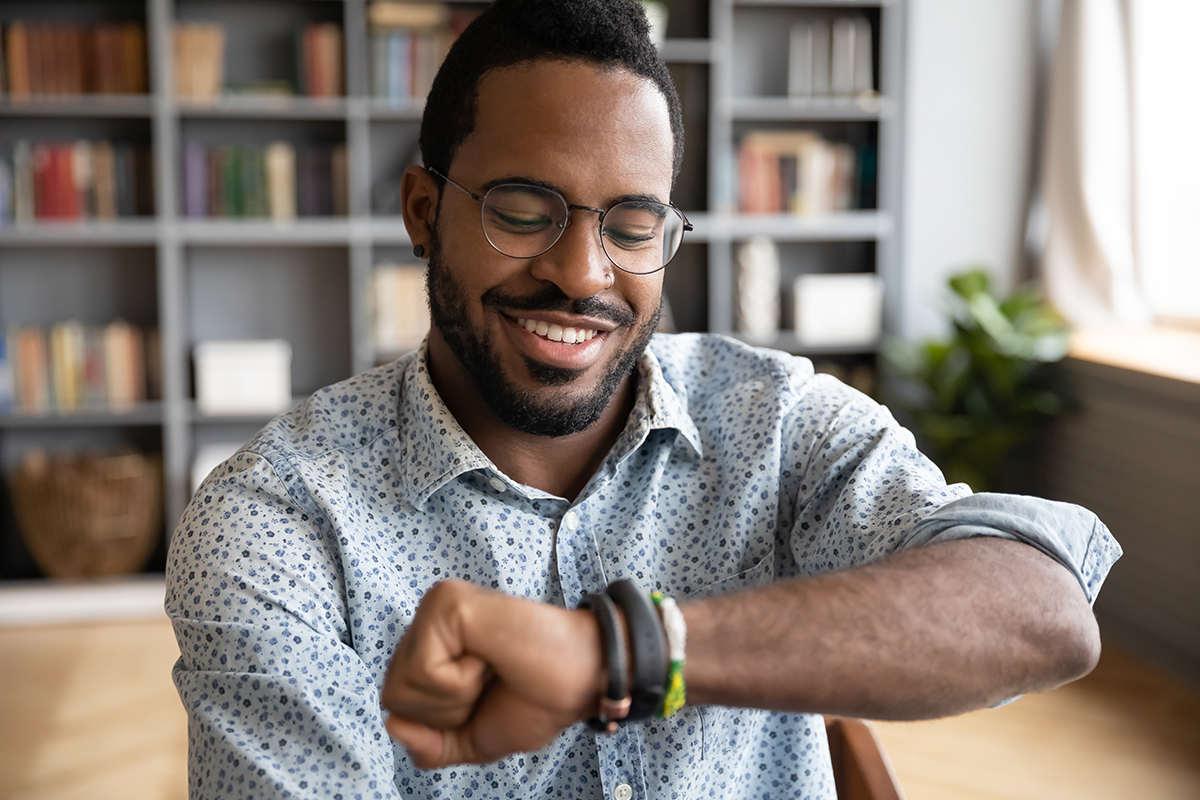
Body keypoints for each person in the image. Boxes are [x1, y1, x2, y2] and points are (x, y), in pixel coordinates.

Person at [165, 1, 1121, 798]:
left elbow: (1044, 613)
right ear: (424, 212)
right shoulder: (275, 518)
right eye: (523, 210)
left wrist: (626, 651)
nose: (583, 274)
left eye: (631, 225)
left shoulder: (774, 420)